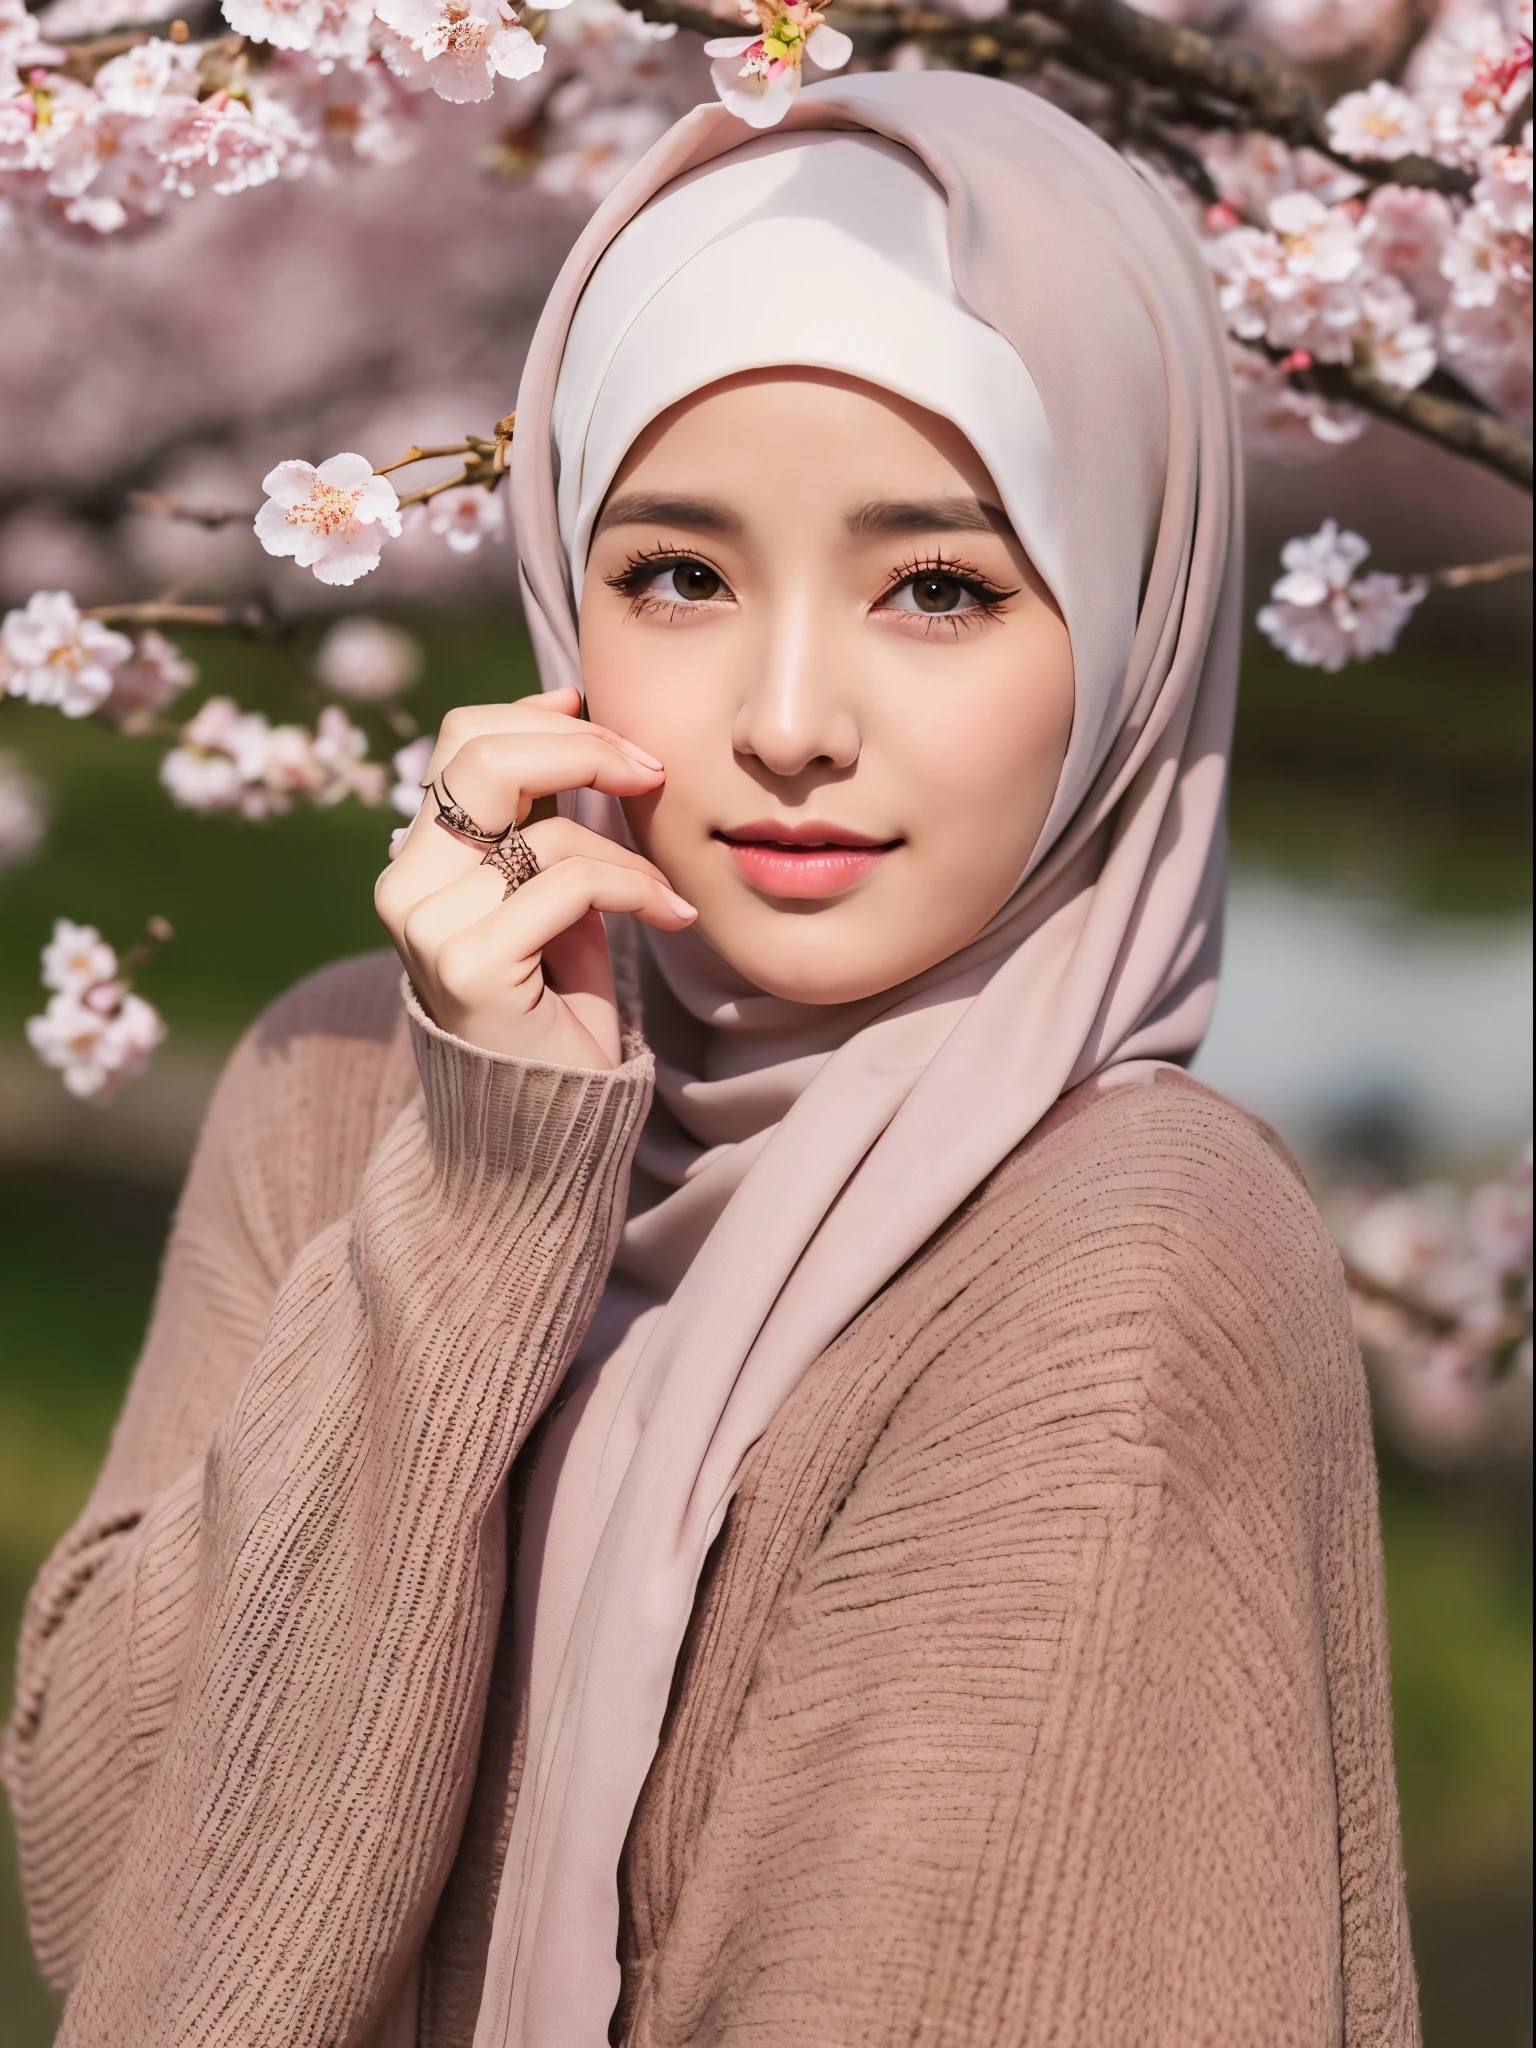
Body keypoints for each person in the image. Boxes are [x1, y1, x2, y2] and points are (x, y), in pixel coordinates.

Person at [3, 70, 1418, 2048]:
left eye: (938, 586)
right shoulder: (349, 1081)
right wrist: (479, 1198)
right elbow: (109, 1891)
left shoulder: (1118, 1261)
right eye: (676, 572)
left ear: (1127, 626)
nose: (785, 718)